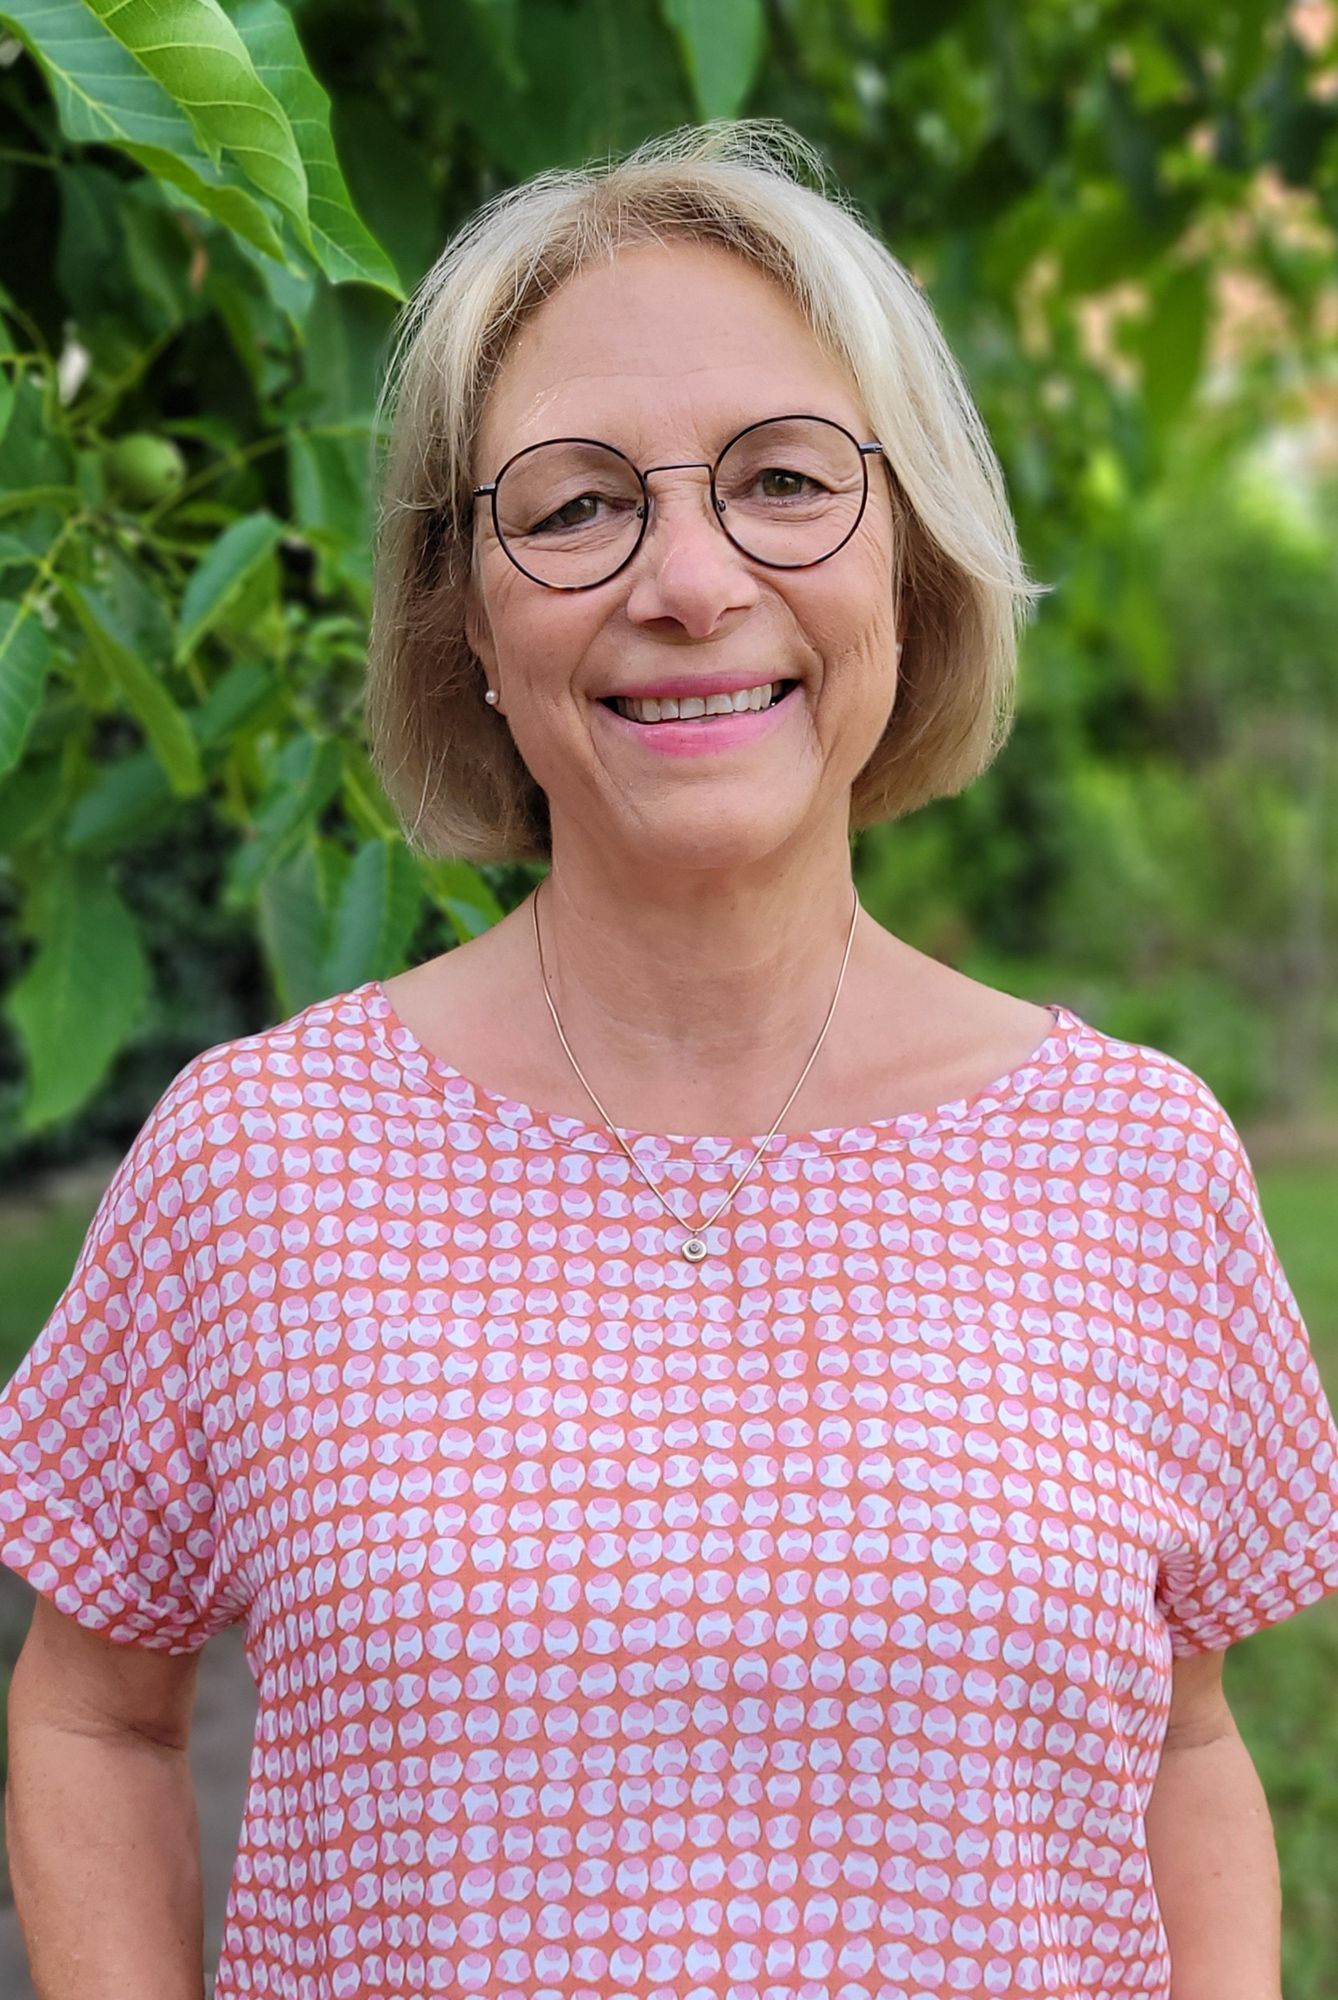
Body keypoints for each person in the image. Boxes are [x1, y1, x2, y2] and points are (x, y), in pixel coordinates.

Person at [1, 120, 1335, 2000]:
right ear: (463, 613)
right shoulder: (256, 1164)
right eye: (571, 506)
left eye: (786, 480)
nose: (690, 581)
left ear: (913, 560)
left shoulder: (1133, 1164)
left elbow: (1185, 1748)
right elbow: (93, 1714)